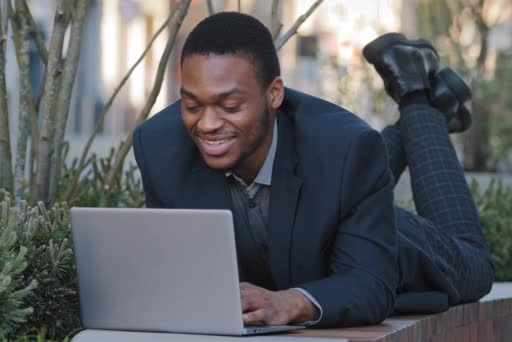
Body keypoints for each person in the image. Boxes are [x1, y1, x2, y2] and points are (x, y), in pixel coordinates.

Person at [132, 12, 495, 328]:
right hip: (326, 190)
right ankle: (428, 109)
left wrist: (293, 302)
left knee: (475, 267)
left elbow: (368, 283)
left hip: (362, 240)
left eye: (230, 105)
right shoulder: (159, 146)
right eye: (192, 105)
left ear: (274, 94)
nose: (207, 124)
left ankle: (416, 91)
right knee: (343, 159)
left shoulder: (344, 148)